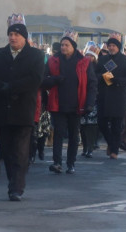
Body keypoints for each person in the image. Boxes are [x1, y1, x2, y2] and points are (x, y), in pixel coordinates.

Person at [0, 14, 45, 201]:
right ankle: (13, 181)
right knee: (7, 150)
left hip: (23, 110)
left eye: (16, 35)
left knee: (20, 151)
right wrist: (0, 87)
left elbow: (35, 79)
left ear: (24, 37)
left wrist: (11, 87)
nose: (13, 37)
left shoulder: (36, 55)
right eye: (10, 34)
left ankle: (16, 187)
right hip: (3, 110)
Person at [41, 31, 96, 175]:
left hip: (76, 104)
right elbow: (43, 80)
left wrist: (90, 103)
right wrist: (54, 80)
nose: (63, 47)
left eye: (66, 45)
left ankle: (71, 163)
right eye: (62, 45)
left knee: (73, 135)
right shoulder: (53, 61)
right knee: (58, 134)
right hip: (58, 104)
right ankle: (57, 162)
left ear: (73, 46)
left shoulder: (84, 62)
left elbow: (92, 84)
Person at [95, 33, 126, 159]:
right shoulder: (103, 59)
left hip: (118, 96)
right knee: (101, 123)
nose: (111, 48)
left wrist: (118, 81)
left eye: (114, 45)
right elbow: (95, 73)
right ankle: (112, 143)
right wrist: (102, 77)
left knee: (116, 126)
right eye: (110, 45)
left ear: (118, 47)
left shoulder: (125, 60)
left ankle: (114, 151)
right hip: (103, 96)